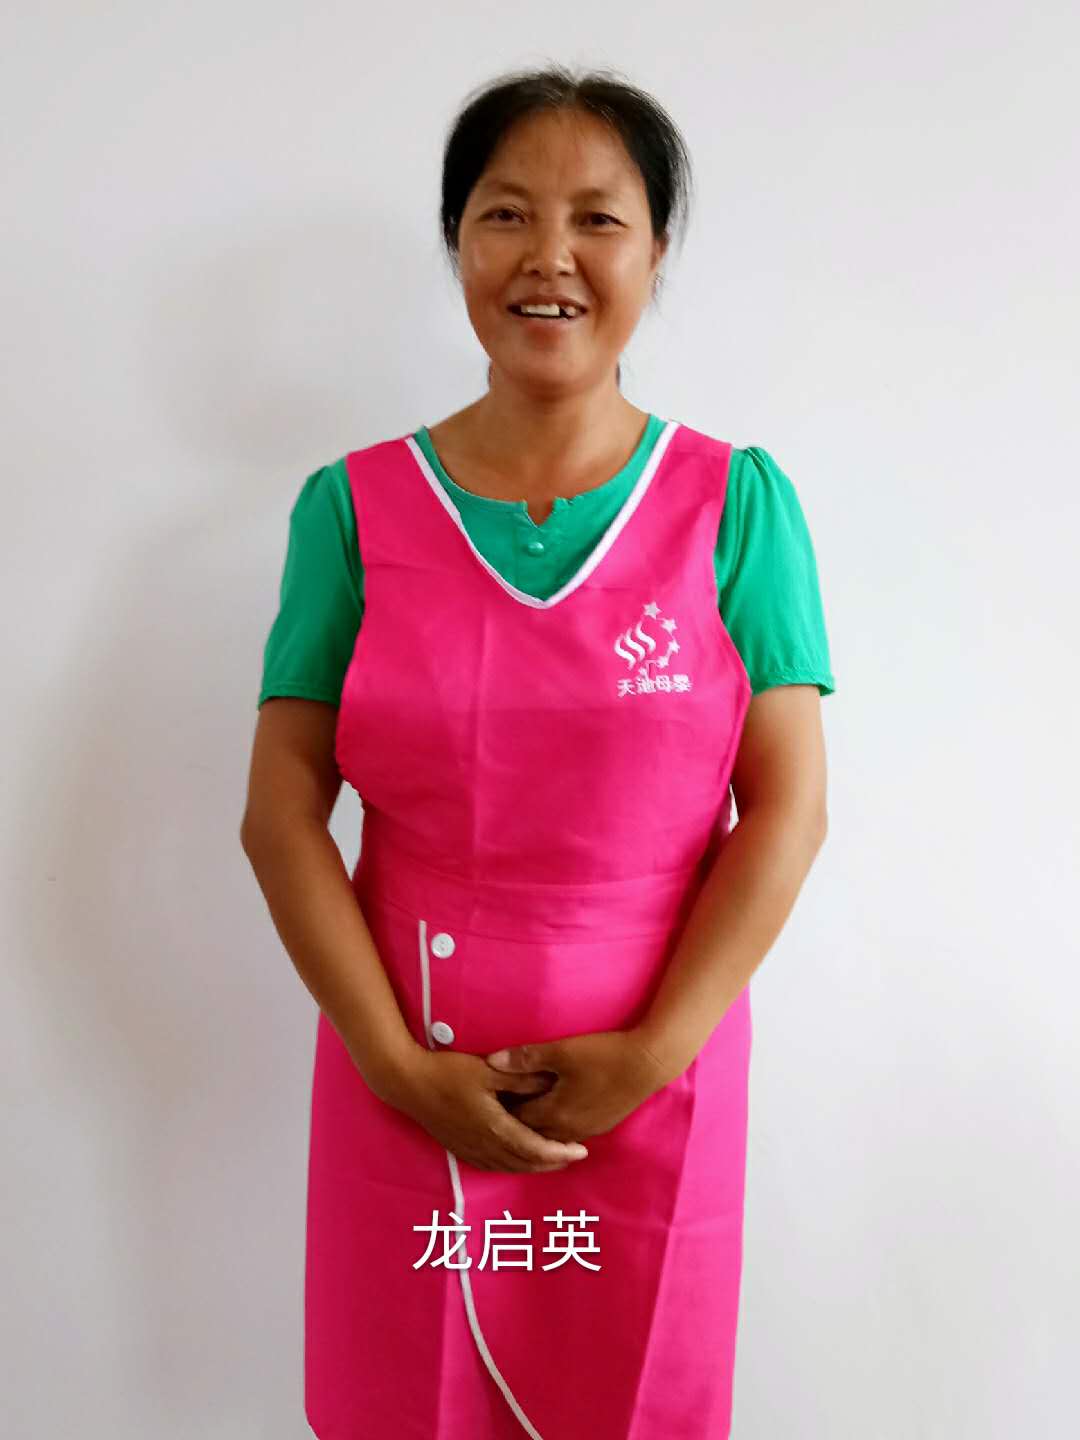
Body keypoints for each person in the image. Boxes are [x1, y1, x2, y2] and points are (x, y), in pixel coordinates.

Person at [241, 63, 835, 1440]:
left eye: (597, 219)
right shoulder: (353, 511)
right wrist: (395, 1065)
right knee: (410, 1402)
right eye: (505, 214)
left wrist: (650, 1055)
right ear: (457, 243)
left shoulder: (735, 506)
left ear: (656, 252)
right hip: (411, 1061)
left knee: (636, 1397)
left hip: (656, 1073)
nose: (549, 256)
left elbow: (789, 809)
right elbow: (280, 812)